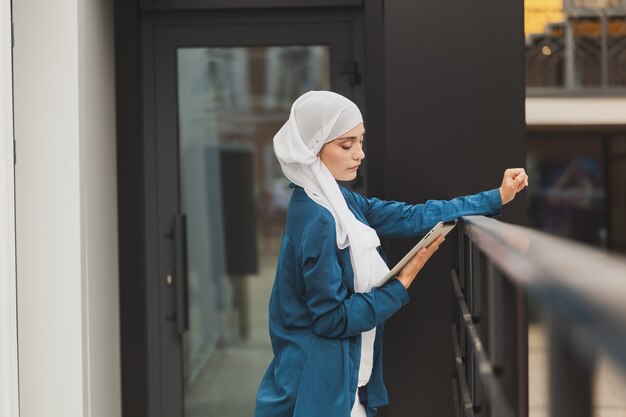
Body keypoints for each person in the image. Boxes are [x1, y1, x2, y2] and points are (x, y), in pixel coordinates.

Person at [254, 91, 528, 417]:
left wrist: (495, 197)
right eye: (347, 144)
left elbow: (409, 216)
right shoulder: (318, 218)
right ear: (314, 148)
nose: (360, 153)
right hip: (322, 391)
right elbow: (331, 319)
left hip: (337, 381)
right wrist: (401, 283)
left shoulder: (336, 202)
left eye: (361, 141)